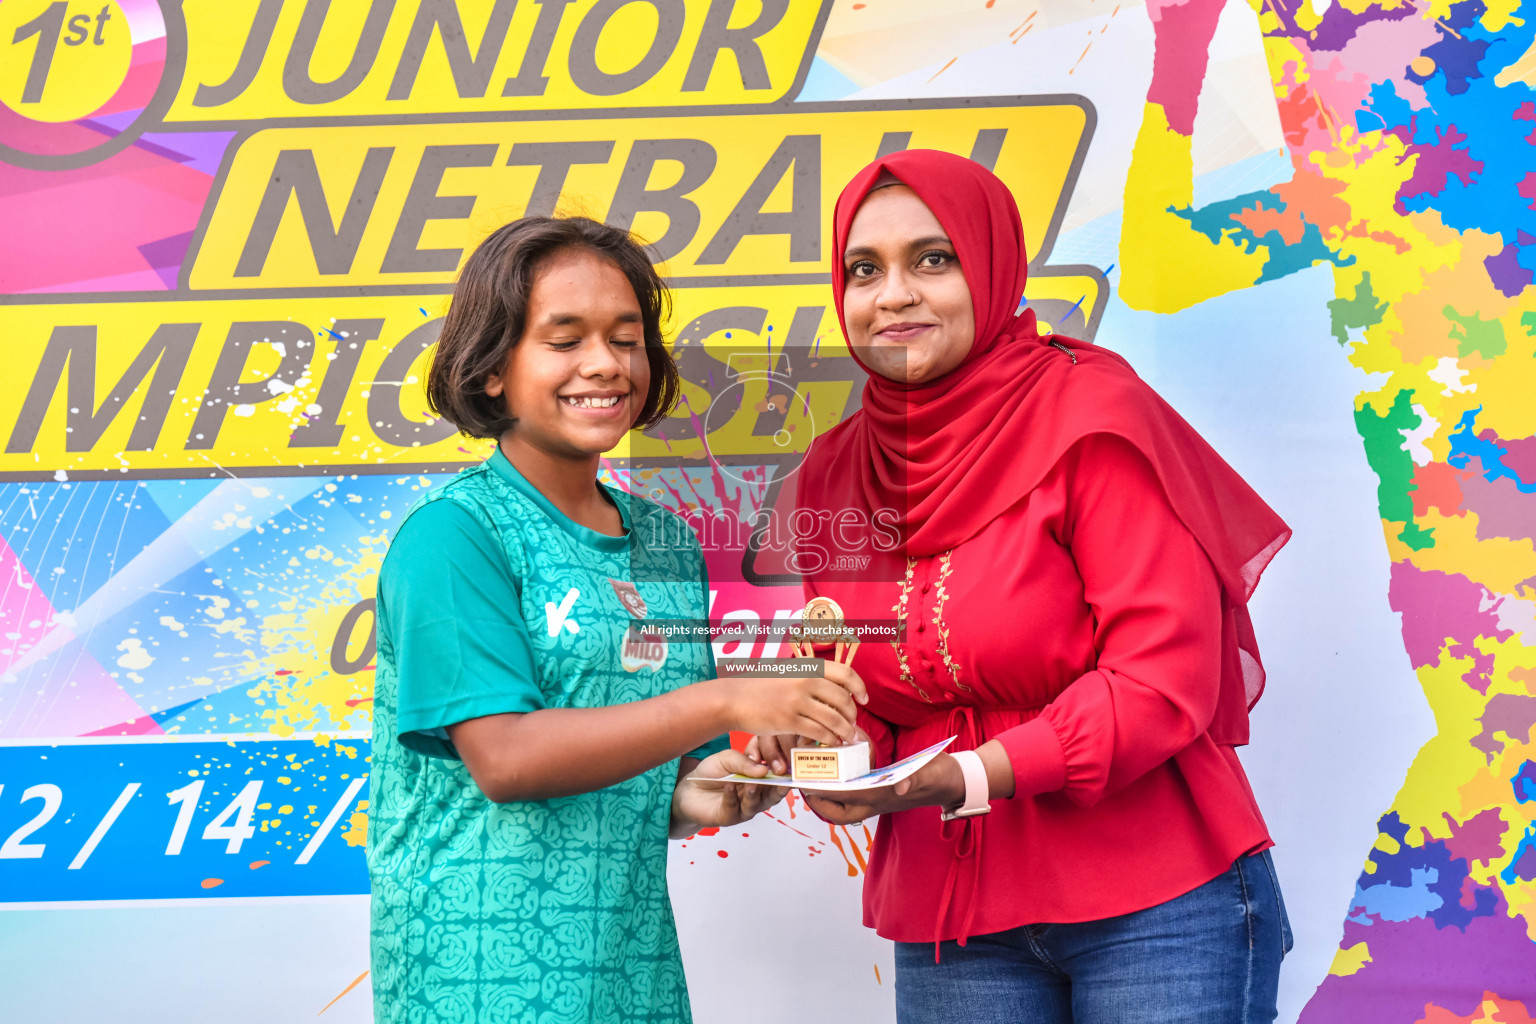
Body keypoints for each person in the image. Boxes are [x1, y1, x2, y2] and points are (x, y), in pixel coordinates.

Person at [756, 150, 1295, 1022]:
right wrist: (823, 759)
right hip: (953, 921)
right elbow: (848, 683)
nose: (893, 294)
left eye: (933, 259)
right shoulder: (832, 475)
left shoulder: (1092, 420)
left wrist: (963, 777)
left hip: (1157, 904)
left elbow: (1163, 683)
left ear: (994, 264)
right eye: (865, 270)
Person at [365, 215, 868, 1024]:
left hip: (632, 982)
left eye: (626, 338)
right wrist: (727, 703)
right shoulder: (454, 537)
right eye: (564, 340)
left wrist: (727, 783)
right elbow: (506, 761)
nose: (604, 364)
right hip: (481, 990)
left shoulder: (666, 542)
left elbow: (667, 778)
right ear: (492, 368)